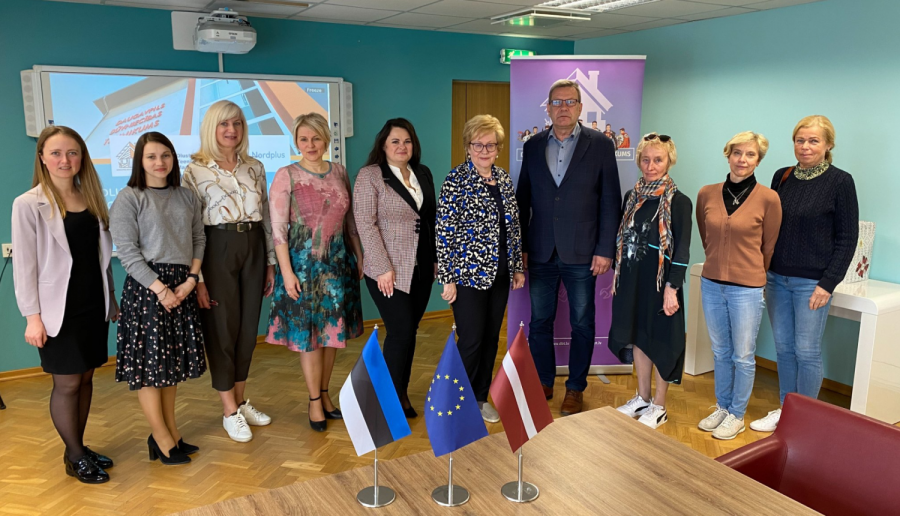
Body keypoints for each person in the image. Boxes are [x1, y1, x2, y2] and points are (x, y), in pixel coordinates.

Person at [12, 126, 118, 483]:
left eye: (72, 152)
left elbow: (101, 257)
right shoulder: (28, 204)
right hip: (57, 311)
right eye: (56, 153)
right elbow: (24, 266)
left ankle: (80, 448)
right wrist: (32, 318)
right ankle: (74, 457)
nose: (64, 160)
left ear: (82, 157)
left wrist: (111, 297)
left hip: (93, 305)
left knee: (86, 378)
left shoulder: (92, 197)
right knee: (68, 384)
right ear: (42, 157)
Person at [516, 79, 622, 416]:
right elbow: (522, 200)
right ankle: (543, 381)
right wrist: (521, 247)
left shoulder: (600, 145)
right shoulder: (533, 146)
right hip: (541, 250)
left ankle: (575, 387)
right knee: (539, 322)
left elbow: (610, 201)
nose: (563, 108)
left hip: (583, 252)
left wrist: (605, 249)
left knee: (582, 323)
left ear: (580, 107)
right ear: (548, 108)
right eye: (557, 102)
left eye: (570, 102)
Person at [750, 115, 859, 433]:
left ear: (828, 145)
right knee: (784, 348)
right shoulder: (782, 177)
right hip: (776, 278)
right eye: (800, 140)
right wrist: (762, 271)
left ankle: (806, 420)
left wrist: (828, 283)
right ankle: (786, 410)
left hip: (812, 283)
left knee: (807, 350)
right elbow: (769, 227)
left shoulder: (840, 182)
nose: (805, 146)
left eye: (813, 141)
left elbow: (847, 237)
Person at [110, 132, 206, 464]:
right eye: (151, 156)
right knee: (150, 369)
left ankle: (171, 432)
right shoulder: (129, 198)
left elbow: (198, 238)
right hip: (148, 291)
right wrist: (161, 290)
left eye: (165, 155)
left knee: (170, 366)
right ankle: (160, 437)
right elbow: (128, 253)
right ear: (139, 161)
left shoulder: (186, 195)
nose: (159, 162)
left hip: (182, 286)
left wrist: (192, 280)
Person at [183, 100, 276, 443]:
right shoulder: (194, 170)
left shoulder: (255, 167)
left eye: (237, 123)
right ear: (212, 127)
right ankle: (228, 411)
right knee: (223, 329)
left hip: (253, 245)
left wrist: (269, 262)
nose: (231, 130)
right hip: (216, 247)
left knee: (248, 329)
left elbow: (266, 216)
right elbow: (191, 228)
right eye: (224, 124)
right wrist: (198, 279)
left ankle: (239, 400)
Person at [267, 113, 364, 432]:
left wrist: (359, 254)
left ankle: (324, 394)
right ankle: (313, 401)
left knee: (332, 335)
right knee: (310, 336)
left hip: (338, 264)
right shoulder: (287, 174)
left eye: (316, 138)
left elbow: (350, 221)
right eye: (303, 139)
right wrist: (286, 272)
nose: (310, 145)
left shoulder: (340, 171)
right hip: (302, 267)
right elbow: (278, 230)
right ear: (296, 141)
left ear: (326, 139)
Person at [437, 114, 525, 423]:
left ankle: (479, 396)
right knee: (471, 340)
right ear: (468, 146)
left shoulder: (503, 179)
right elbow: (444, 231)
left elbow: (513, 227)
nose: (484, 150)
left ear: (499, 148)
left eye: (491, 145)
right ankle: (453, 401)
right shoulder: (456, 179)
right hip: (467, 276)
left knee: (490, 339)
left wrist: (516, 266)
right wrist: (447, 278)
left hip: (500, 274)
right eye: (478, 144)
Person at [695, 132, 782, 440]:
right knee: (720, 351)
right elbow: (706, 235)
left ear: (758, 160)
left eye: (750, 154)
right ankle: (722, 406)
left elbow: (768, 246)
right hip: (711, 284)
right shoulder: (706, 193)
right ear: (728, 155)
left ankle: (737, 414)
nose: (742, 159)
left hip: (747, 288)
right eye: (737, 153)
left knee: (743, 355)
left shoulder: (769, 199)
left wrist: (749, 272)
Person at [354, 118, 435, 419]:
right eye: (395, 141)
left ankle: (399, 393)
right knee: (400, 331)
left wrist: (435, 259)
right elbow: (365, 223)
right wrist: (382, 267)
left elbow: (430, 219)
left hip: (421, 268)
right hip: (387, 271)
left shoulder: (422, 173)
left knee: (409, 332)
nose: (402, 147)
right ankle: (384, 403)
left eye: (407, 141)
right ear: (383, 145)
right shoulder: (371, 175)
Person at [610, 133, 692, 429]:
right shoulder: (631, 197)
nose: (651, 166)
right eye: (645, 159)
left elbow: (682, 249)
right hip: (633, 281)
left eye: (658, 160)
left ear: (669, 161)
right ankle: (642, 397)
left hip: (661, 285)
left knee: (661, 340)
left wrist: (673, 288)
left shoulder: (679, 201)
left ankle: (659, 405)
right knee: (639, 336)